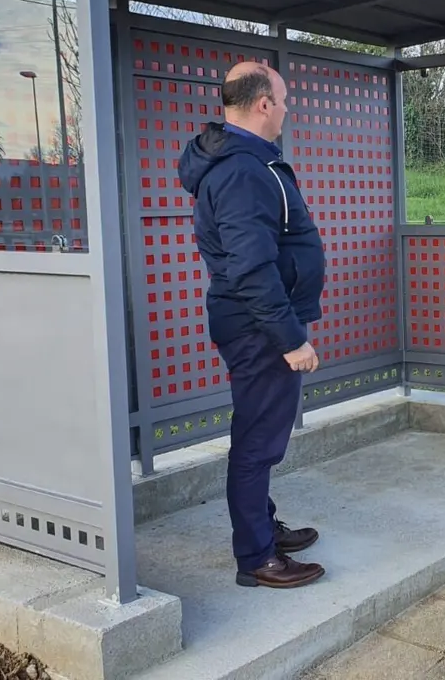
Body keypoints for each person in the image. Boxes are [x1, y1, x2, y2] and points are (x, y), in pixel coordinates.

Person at [178, 62, 328, 589]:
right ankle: (257, 557)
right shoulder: (244, 170)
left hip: (254, 321)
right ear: (263, 103)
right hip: (260, 328)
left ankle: (263, 528)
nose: (287, 109)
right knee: (257, 440)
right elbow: (251, 267)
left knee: (258, 432)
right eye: (284, 100)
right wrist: (291, 340)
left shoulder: (241, 161)